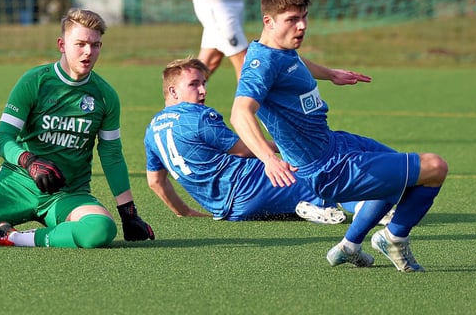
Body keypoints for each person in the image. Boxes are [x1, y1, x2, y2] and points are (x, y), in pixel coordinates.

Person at [230, 0, 448, 272]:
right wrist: (268, 158)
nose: (302, 26)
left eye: (304, 17)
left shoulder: (279, 49)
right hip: (327, 170)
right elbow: (240, 112)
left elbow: (294, 62)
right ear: (268, 21)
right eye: (292, 20)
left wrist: (330, 74)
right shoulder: (260, 64)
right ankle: (394, 238)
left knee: (398, 179)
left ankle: (349, 246)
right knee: (434, 168)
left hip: (336, 144)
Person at [0, 8, 155, 248]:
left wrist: (129, 214)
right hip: (16, 184)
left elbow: (111, 156)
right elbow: (1, 139)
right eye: (80, 44)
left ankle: (11, 237)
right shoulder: (35, 81)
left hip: (66, 195)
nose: (88, 52)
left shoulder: (105, 95)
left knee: (99, 231)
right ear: (62, 45)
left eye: (95, 45)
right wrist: (29, 160)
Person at [146, 57, 361, 223]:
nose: (203, 90)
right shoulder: (197, 117)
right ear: (173, 91)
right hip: (250, 185)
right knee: (325, 172)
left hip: (229, 210)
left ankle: (310, 206)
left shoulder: (152, 130)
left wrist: (185, 212)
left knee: (303, 182)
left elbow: (155, 182)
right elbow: (245, 150)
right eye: (194, 84)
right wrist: (295, 144)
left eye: (203, 83)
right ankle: (374, 209)